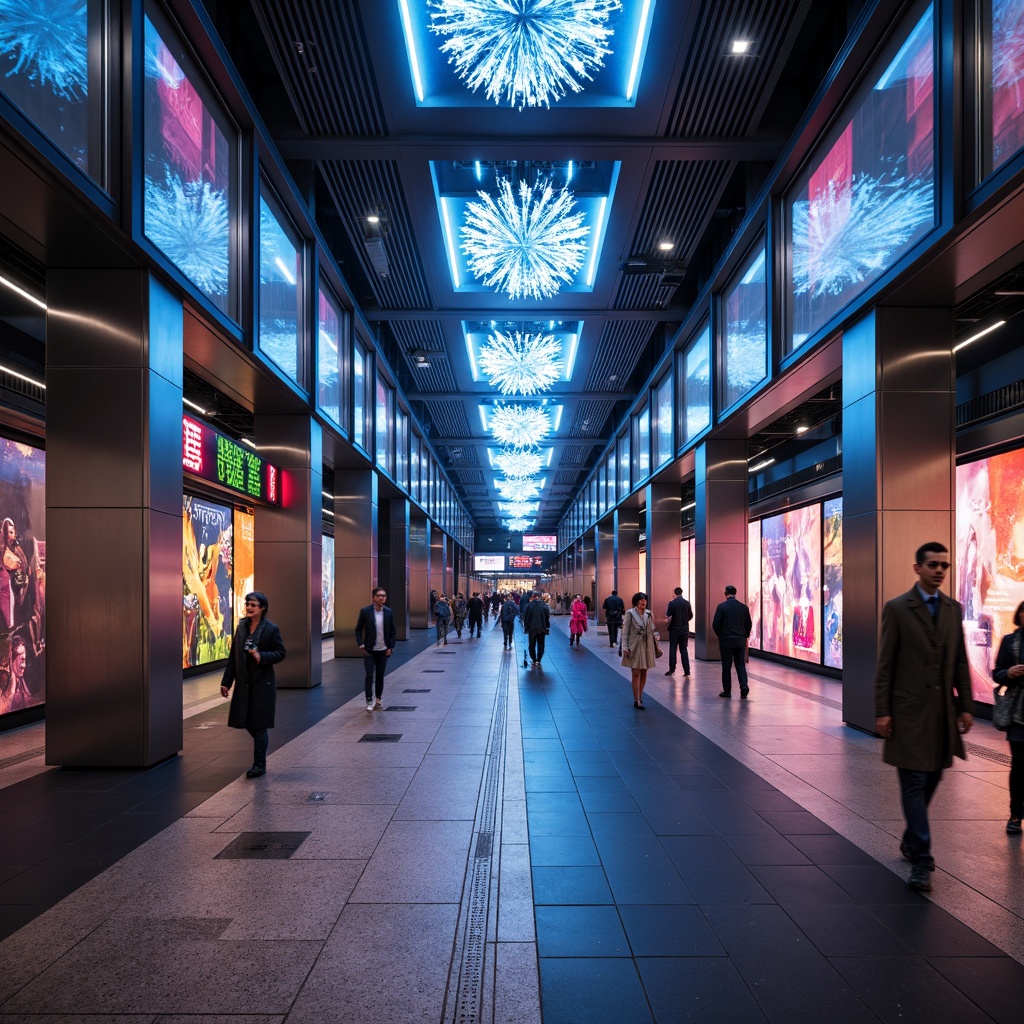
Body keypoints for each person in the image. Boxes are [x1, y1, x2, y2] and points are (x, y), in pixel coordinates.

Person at [875, 542, 974, 891]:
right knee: (914, 782)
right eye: (933, 565)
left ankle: (910, 837)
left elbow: (960, 659)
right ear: (917, 568)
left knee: (933, 779)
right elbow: (885, 664)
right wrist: (883, 711)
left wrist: (966, 706)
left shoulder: (952, 609)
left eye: (944, 566)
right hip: (907, 713)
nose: (939, 571)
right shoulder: (898, 609)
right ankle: (922, 860)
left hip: (940, 715)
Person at [220, 591, 286, 779]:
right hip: (243, 684)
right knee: (247, 721)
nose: (249, 607)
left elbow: (281, 653)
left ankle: (259, 764)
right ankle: (260, 755)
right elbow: (234, 657)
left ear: (262, 608)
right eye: (248, 603)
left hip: (262, 684)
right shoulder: (241, 628)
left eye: (253, 605)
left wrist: (261, 656)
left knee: (258, 725)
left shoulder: (271, 629)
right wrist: (226, 682)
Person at [992, 599, 1024, 836]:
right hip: (1018, 713)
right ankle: (1015, 814)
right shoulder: (1011, 641)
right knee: (1019, 766)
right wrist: (1009, 673)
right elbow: (997, 673)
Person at [355, 586, 397, 713]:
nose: (381, 598)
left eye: (383, 595)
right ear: (374, 598)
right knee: (369, 675)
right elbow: (358, 630)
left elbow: (393, 631)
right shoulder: (365, 611)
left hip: (383, 650)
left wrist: (390, 647)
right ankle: (369, 699)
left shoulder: (388, 612)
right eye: (379, 595)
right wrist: (361, 645)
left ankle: (378, 698)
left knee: (380, 675)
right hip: (369, 650)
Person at [712, 585, 752, 698]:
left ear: (725, 593)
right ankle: (744, 687)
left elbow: (715, 624)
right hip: (740, 640)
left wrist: (721, 636)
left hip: (726, 641)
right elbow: (749, 623)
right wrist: (745, 635)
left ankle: (727, 691)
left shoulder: (722, 607)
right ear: (735, 593)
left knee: (726, 666)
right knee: (740, 664)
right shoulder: (744, 607)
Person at [621, 592, 658, 709]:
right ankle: (636, 699)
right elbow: (625, 630)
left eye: (645, 600)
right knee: (635, 672)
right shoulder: (630, 613)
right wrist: (624, 646)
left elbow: (652, 629)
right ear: (636, 601)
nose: (643, 602)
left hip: (647, 645)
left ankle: (640, 696)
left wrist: (657, 639)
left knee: (644, 672)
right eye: (641, 600)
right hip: (635, 646)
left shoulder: (649, 613)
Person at [665, 587, 693, 676]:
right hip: (684, 629)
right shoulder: (687, 603)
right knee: (684, 649)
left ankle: (672, 669)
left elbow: (668, 614)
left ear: (674, 593)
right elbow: (691, 615)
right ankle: (687, 670)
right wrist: (685, 620)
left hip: (674, 630)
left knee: (673, 649)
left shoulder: (672, 603)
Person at [522, 591, 550, 666]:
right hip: (542, 628)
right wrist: (547, 627)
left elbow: (525, 616)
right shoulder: (544, 605)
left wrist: (526, 626)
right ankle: (539, 659)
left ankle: (534, 659)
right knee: (541, 644)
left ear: (533, 597)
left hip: (532, 628)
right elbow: (547, 616)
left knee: (532, 644)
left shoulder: (529, 605)